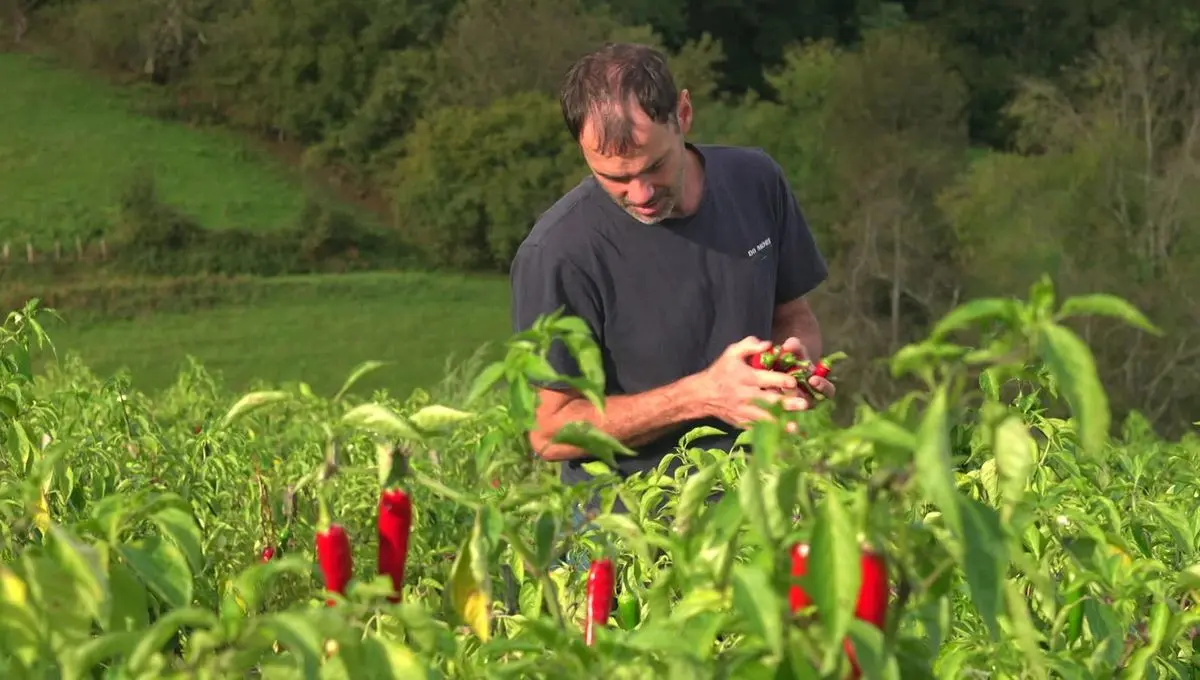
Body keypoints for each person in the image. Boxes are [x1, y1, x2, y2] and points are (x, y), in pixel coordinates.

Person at [509, 42, 834, 509]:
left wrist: (790, 367)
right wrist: (701, 397)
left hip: (763, 499)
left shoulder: (756, 181)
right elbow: (549, 430)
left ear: (682, 114)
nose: (639, 193)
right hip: (632, 531)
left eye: (654, 166)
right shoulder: (559, 253)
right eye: (614, 178)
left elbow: (794, 315)